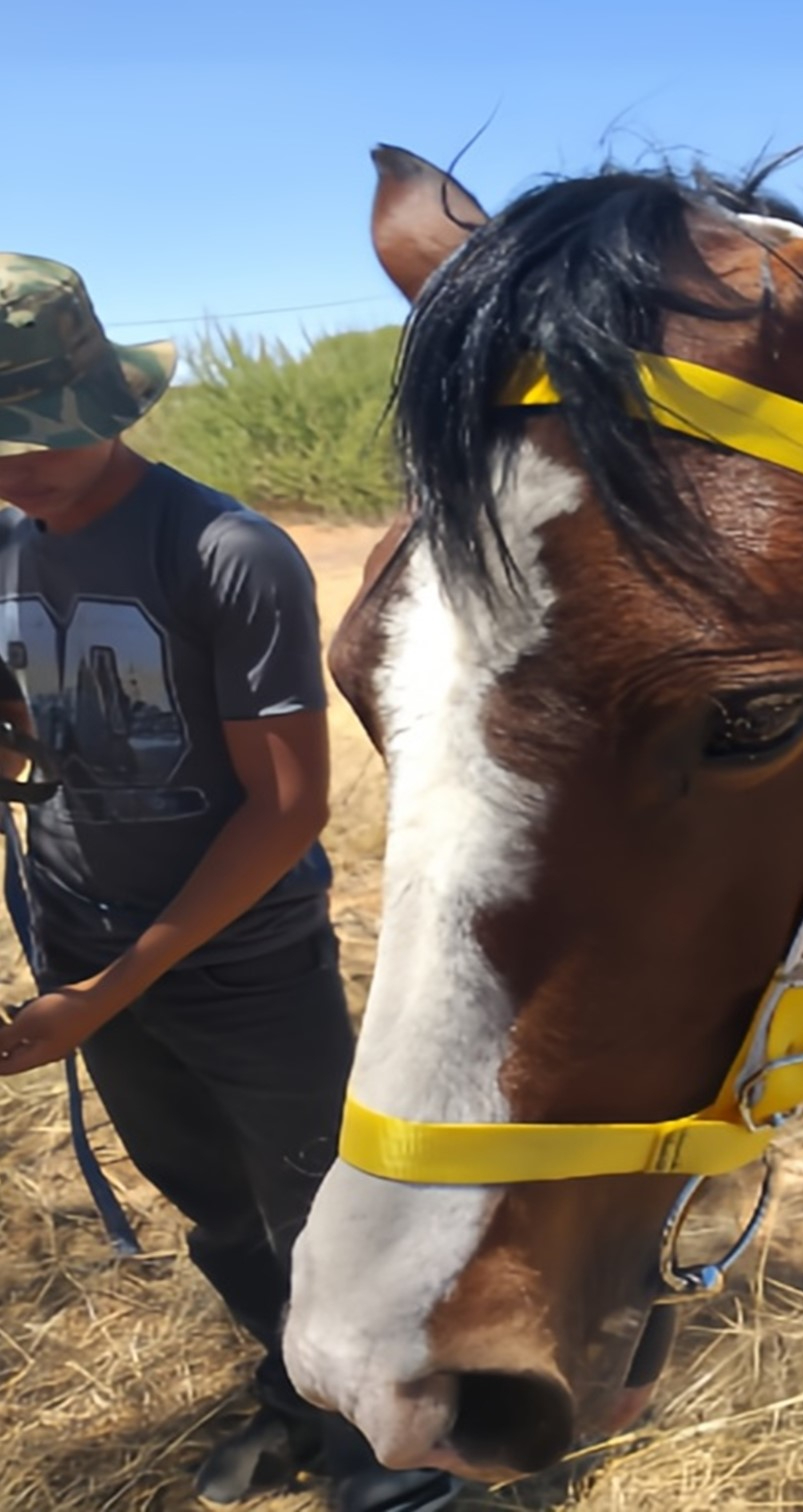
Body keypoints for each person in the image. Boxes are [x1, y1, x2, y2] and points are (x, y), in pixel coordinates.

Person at [0, 253, 458, 1512]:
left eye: (37, 430)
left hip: (240, 965)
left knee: (331, 1215)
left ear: (109, 402)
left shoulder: (224, 551)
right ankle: (295, 1389)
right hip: (78, 937)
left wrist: (104, 991)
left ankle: (401, 1473)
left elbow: (290, 805)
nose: (15, 463)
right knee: (213, 1208)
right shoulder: (6, 543)